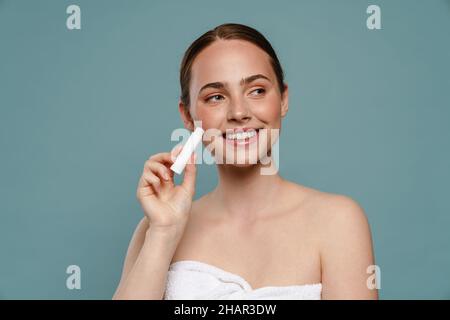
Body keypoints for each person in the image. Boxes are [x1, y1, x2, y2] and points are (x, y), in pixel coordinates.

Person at [113, 23, 378, 300]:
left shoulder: (338, 221)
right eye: (216, 97)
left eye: (257, 90)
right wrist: (164, 233)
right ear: (188, 116)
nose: (239, 112)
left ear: (283, 99)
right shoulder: (155, 228)